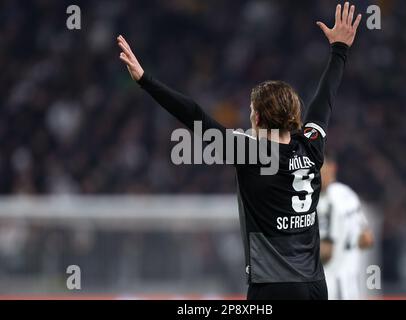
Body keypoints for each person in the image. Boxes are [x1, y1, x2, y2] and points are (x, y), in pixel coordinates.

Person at [117, 2, 362, 300]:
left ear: (257, 118)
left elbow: (195, 116)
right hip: (314, 286)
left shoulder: (251, 154)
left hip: (273, 287)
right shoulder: (311, 144)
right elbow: (324, 100)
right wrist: (339, 50)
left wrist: (145, 80)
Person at [318, 154, 375, 300]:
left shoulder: (324, 201)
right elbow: (367, 239)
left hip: (331, 287)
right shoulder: (348, 194)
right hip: (352, 286)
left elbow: (326, 252)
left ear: (332, 168)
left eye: (319, 170)